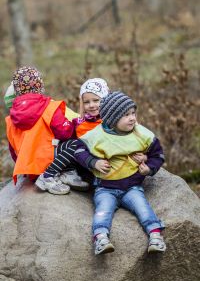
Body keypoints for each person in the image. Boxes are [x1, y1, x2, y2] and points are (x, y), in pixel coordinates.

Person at [75, 91, 166, 255]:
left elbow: (158, 155)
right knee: (103, 211)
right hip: (105, 188)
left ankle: (155, 236)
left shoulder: (141, 134)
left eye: (133, 113)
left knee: (143, 208)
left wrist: (149, 167)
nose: (132, 118)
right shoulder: (97, 135)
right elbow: (79, 149)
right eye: (125, 115)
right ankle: (101, 238)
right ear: (111, 118)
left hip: (132, 187)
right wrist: (94, 162)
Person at [5, 66, 79, 195]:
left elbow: (13, 151)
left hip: (30, 171)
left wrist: (27, 170)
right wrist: (73, 123)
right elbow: (65, 132)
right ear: (39, 85)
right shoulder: (48, 106)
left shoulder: (11, 119)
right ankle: (61, 173)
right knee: (76, 144)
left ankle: (44, 176)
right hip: (50, 164)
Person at [35, 78, 110, 192]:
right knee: (76, 144)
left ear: (106, 100)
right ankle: (47, 175)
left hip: (95, 162)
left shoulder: (110, 122)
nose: (91, 105)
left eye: (96, 100)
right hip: (81, 160)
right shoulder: (79, 122)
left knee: (80, 145)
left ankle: (70, 173)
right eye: (86, 102)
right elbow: (67, 140)